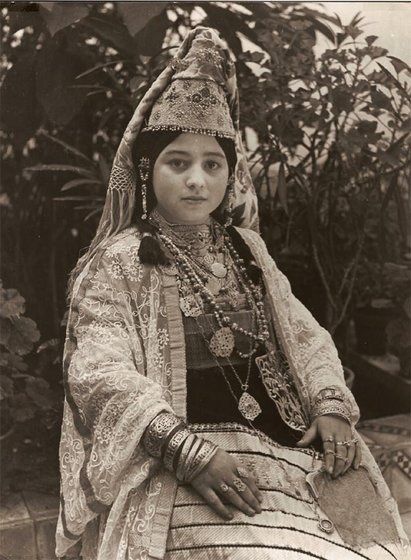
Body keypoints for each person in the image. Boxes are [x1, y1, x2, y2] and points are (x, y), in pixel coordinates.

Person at [56, 27, 409, 560]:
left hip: (285, 442)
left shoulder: (247, 249)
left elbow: (303, 333)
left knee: (369, 547)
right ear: (149, 171)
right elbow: (98, 372)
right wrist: (187, 452)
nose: (197, 180)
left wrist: (331, 403)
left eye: (212, 164)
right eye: (179, 163)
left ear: (230, 174)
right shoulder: (120, 260)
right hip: (181, 464)